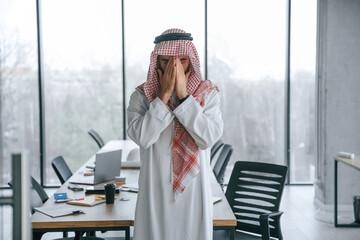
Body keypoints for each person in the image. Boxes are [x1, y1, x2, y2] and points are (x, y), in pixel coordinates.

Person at [127, 28, 223, 240]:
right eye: (166, 61)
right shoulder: (141, 97)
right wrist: (162, 97)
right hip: (155, 191)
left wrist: (184, 96)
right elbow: (143, 138)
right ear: (156, 62)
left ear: (191, 61)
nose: (174, 67)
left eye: (181, 60)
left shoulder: (208, 95)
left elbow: (206, 139)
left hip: (194, 192)